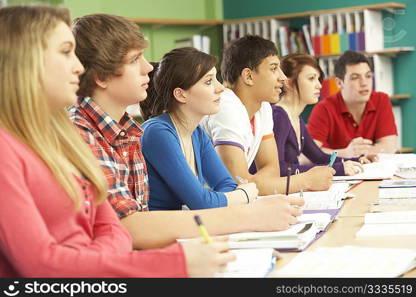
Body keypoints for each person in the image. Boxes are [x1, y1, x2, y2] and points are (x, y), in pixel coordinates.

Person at [0, 5, 236, 278]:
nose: (78, 68)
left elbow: (111, 228)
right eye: (66, 52)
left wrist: (93, 258)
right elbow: (44, 265)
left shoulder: (62, 137)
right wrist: (174, 262)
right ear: (24, 62)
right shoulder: (14, 148)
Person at [69, 14, 304, 250]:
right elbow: (130, 227)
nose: (148, 67)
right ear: (100, 76)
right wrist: (248, 213)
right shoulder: (85, 133)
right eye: (135, 59)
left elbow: (223, 187)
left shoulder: (127, 131)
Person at [201, 35, 335, 195]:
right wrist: (304, 181)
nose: (283, 78)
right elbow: (237, 186)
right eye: (273, 69)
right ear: (248, 76)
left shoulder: (263, 107)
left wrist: (254, 183)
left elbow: (272, 170)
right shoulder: (225, 106)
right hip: (201, 210)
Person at [140, 48, 258, 210]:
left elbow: (226, 184)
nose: (220, 88)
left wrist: (226, 197)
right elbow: (201, 202)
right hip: (162, 230)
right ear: (181, 95)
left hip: (187, 227)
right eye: (209, 81)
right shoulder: (158, 133)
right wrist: (244, 194)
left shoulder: (196, 133)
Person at [274, 53, 377, 176]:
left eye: (318, 79)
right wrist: (338, 169)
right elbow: (279, 169)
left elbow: (319, 157)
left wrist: (357, 161)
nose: (319, 85)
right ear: (289, 83)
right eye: (311, 78)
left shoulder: (296, 118)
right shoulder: (278, 116)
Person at [308, 50, 398, 158]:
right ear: (339, 83)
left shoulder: (381, 100)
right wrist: (346, 153)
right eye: (355, 78)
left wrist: (361, 152)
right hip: (339, 173)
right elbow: (308, 156)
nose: (364, 83)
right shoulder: (324, 109)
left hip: (374, 171)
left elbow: (389, 147)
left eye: (368, 76)